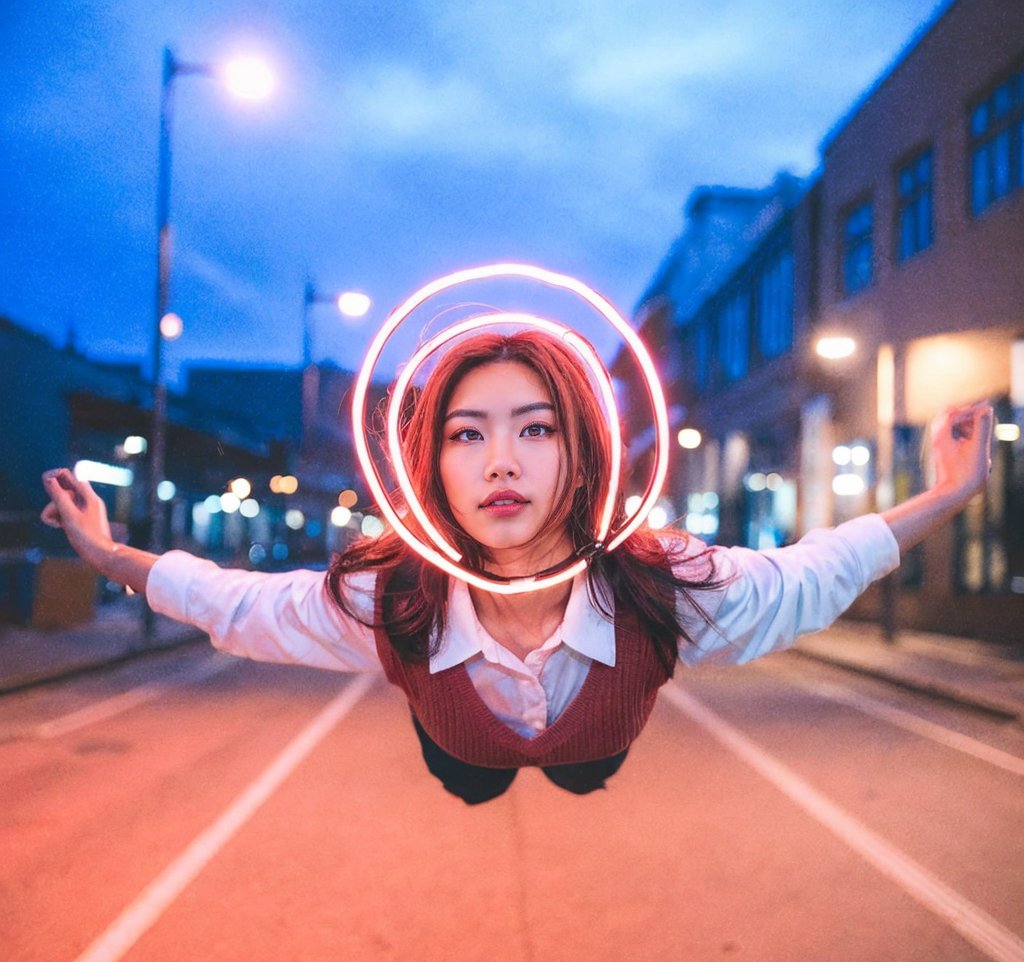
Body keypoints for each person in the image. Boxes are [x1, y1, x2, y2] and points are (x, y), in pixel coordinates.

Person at [41, 330, 994, 805]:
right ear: (435, 468)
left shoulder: (661, 585)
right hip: (463, 743)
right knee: (471, 775)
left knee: (585, 771)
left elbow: (813, 572)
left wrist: (945, 495)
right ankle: (472, 763)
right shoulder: (392, 595)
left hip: (595, 741)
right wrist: (108, 550)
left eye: (535, 429)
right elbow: (238, 603)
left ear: (580, 454)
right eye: (468, 434)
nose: (502, 460)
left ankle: (580, 762)